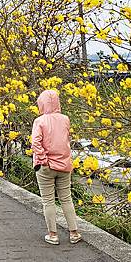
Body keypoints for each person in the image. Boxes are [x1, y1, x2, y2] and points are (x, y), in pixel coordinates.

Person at [31, 89, 81, 245]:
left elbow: (35, 143)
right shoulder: (65, 119)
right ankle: (74, 233)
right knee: (66, 199)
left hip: (46, 166)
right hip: (64, 165)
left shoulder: (40, 121)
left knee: (48, 201)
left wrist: (43, 159)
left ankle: (53, 235)